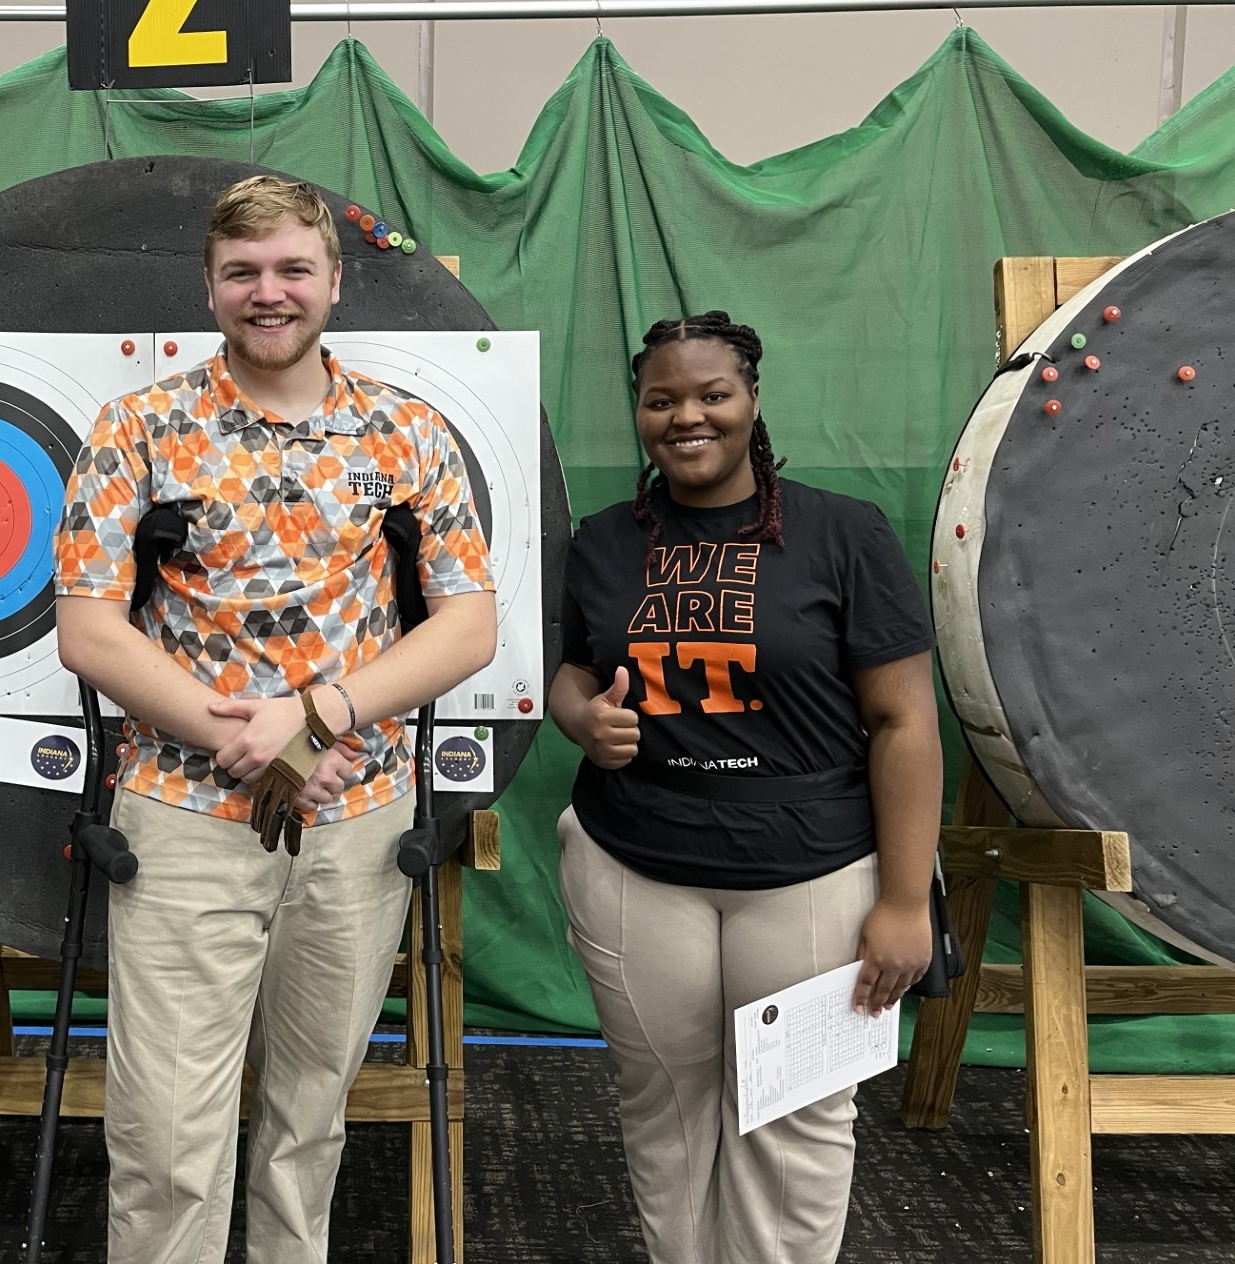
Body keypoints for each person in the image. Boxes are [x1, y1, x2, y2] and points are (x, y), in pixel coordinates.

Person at [54, 174, 498, 1264]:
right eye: (244, 272)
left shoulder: (407, 432)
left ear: (334, 285)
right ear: (210, 287)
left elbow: (469, 625)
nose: (270, 292)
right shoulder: (138, 427)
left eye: (294, 268)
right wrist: (233, 735)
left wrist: (316, 716)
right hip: (183, 812)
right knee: (165, 1132)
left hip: (355, 814)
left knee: (310, 1118)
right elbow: (90, 631)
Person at [547, 312, 942, 1264]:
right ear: (639, 413)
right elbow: (564, 669)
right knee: (667, 1121)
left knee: (796, 1125)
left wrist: (901, 900)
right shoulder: (601, 542)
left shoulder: (843, 533)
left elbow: (905, 722)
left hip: (811, 871)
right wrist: (578, 717)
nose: (687, 416)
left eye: (712, 394)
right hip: (638, 863)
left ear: (753, 402)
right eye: (662, 399)